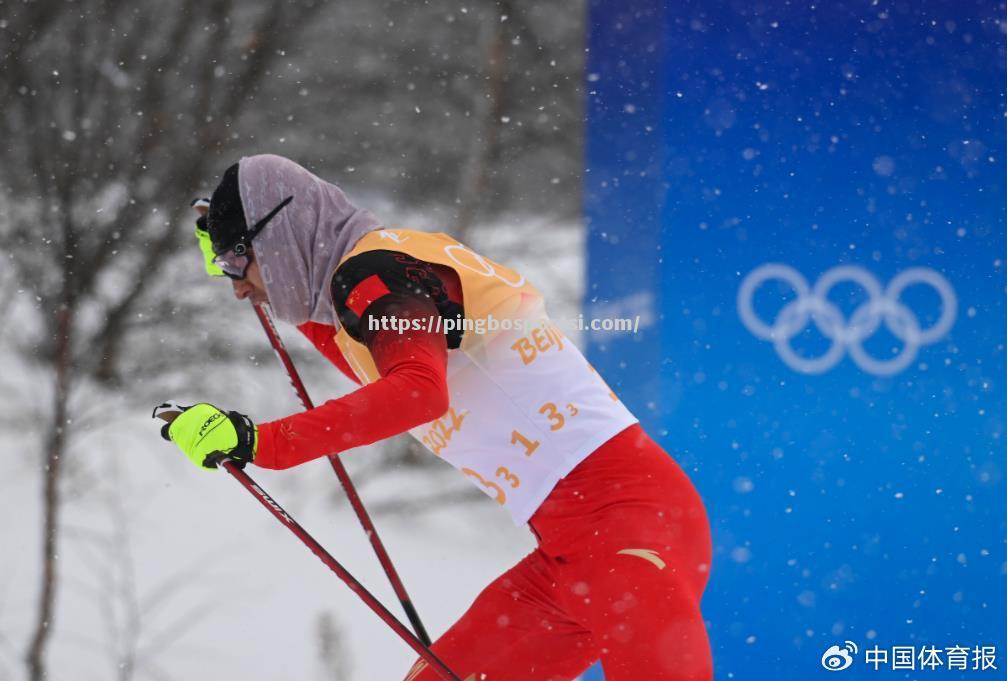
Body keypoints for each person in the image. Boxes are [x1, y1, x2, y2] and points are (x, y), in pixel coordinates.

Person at [158, 154, 713, 680]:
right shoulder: (374, 280)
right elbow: (350, 342)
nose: (235, 286)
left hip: (630, 536)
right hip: (573, 558)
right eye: (218, 266)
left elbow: (417, 395)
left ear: (279, 236)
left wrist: (258, 442)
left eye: (234, 260)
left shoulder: (374, 276)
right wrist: (247, 257)